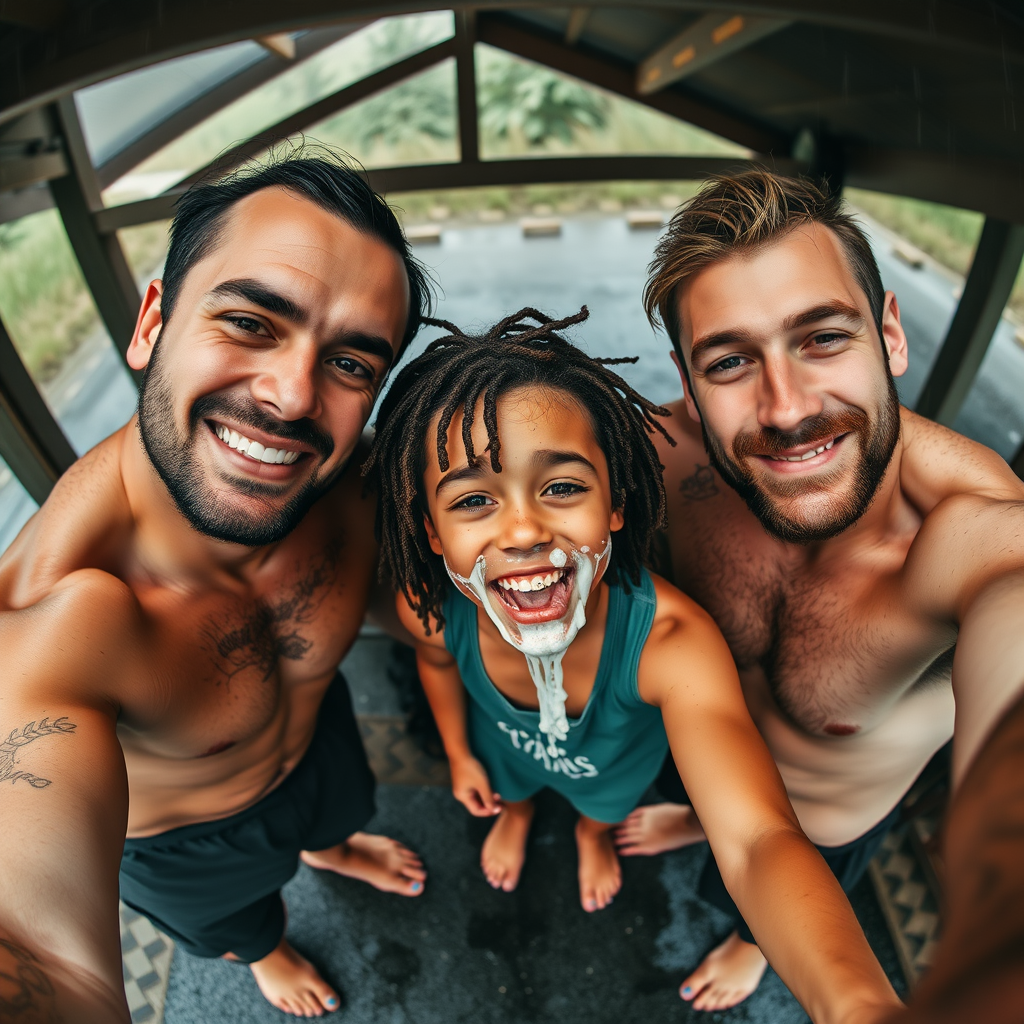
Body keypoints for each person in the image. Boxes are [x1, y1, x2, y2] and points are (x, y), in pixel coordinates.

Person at [363, 308, 903, 1024]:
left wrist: (860, 1005)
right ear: (432, 533)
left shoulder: (671, 642)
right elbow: (436, 664)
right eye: (472, 500)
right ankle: (519, 816)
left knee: (602, 813)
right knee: (511, 788)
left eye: (562, 487)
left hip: (611, 775)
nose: (523, 530)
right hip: (506, 754)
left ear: (616, 504)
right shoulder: (428, 606)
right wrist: (461, 755)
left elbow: (756, 837)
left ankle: (590, 835)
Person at [0, 153, 433, 1022]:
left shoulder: (349, 484)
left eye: (352, 364)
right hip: (190, 845)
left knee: (336, 816)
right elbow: (41, 948)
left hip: (318, 746)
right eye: (248, 322)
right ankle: (265, 949)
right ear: (152, 321)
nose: (291, 395)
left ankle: (330, 845)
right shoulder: (62, 615)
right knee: (239, 923)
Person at [612, 169, 1024, 1012]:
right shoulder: (668, 451)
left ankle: (749, 944)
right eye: (729, 360)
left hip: (822, 825)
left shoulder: (972, 533)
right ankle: (699, 821)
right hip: (696, 767)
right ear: (690, 385)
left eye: (823, 338)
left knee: (767, 913)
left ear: (889, 337)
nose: (788, 407)